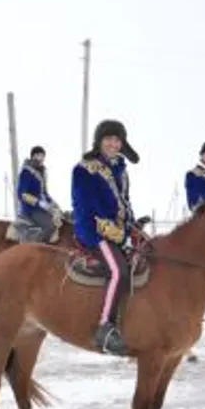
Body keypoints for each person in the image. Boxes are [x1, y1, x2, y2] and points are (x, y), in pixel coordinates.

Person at [71, 119, 140, 356]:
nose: (113, 144)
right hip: (92, 229)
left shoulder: (121, 168)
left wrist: (132, 226)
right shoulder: (85, 168)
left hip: (120, 231)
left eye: (117, 140)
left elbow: (125, 202)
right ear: (99, 141)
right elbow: (87, 206)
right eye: (109, 139)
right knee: (119, 270)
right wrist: (117, 235)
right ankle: (105, 327)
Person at [16, 145, 62, 243]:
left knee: (60, 218)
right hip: (30, 209)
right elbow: (22, 194)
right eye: (38, 155)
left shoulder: (41, 172)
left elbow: (44, 193)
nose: (41, 158)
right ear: (33, 156)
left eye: (42, 156)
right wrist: (39, 203)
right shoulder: (26, 172)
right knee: (51, 225)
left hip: (40, 208)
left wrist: (54, 205)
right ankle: (34, 245)